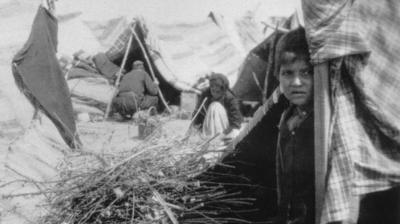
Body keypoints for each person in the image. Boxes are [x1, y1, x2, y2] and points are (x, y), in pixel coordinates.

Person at [272, 27, 315, 224]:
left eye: (306, 72)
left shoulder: (326, 122)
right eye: (287, 73)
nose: (296, 82)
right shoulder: (286, 118)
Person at [192, 73, 243, 138]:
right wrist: (195, 129)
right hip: (208, 130)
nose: (215, 93)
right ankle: (210, 137)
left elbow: (236, 123)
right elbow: (198, 114)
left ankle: (216, 138)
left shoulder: (230, 99)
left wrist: (223, 134)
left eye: (218, 91)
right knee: (213, 105)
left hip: (225, 130)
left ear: (223, 90)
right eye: (213, 89)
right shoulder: (206, 96)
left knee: (215, 106)